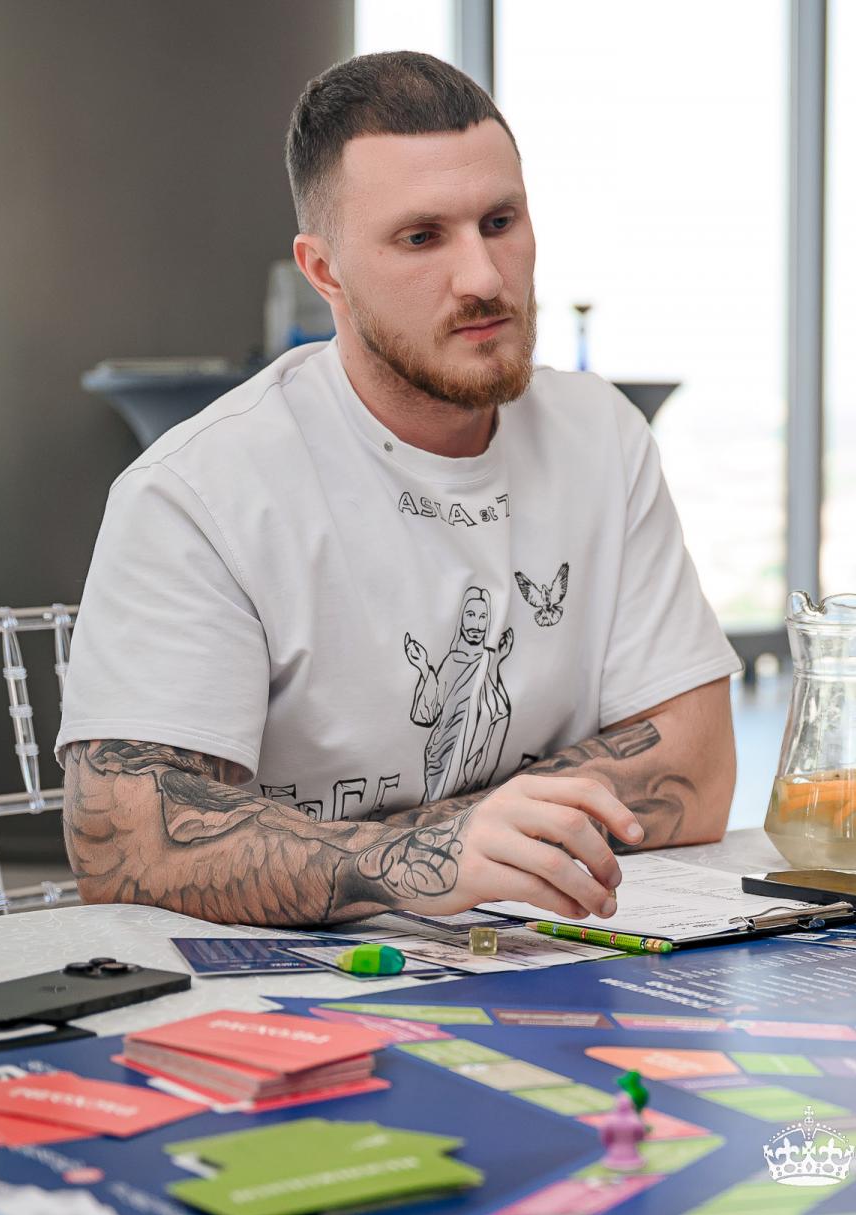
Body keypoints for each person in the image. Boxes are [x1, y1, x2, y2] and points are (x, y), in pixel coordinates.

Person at [56, 52, 741, 928]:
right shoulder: (199, 490)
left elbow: (697, 767)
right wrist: (430, 858)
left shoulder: (601, 434)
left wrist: (446, 846)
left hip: (547, 951)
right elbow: (124, 844)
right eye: (422, 237)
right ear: (325, 272)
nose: (484, 277)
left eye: (500, 222)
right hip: (288, 984)